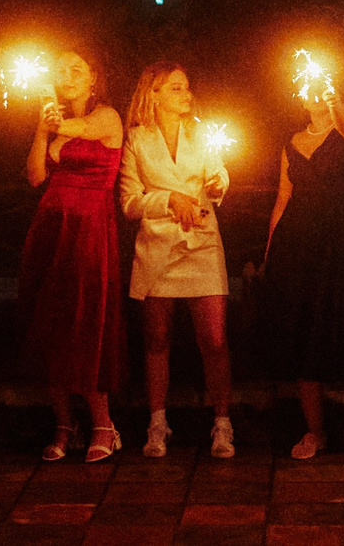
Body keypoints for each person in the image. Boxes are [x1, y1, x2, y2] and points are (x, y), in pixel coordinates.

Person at [259, 68, 344, 460]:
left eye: (324, 92)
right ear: (300, 97)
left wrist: (338, 108)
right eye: (310, 93)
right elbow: (283, 199)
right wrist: (269, 254)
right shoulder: (292, 142)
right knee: (308, 336)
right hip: (303, 251)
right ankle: (315, 432)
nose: (316, 97)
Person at [121, 61, 236, 458]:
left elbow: (218, 176)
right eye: (175, 88)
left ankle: (222, 424)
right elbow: (130, 203)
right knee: (156, 339)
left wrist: (219, 182)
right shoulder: (135, 139)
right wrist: (169, 199)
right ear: (153, 94)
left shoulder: (202, 132)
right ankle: (157, 423)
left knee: (215, 340)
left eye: (187, 87)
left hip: (201, 243)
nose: (186, 94)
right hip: (157, 248)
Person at [16, 49, 128, 462]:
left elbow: (76, 125)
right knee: (50, 319)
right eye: (60, 69)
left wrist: (54, 120)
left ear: (93, 78)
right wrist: (40, 131)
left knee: (87, 319)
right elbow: (35, 176)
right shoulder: (51, 123)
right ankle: (63, 422)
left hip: (90, 227)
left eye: (76, 69)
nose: (67, 75)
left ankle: (103, 423)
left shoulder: (107, 117)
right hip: (52, 223)